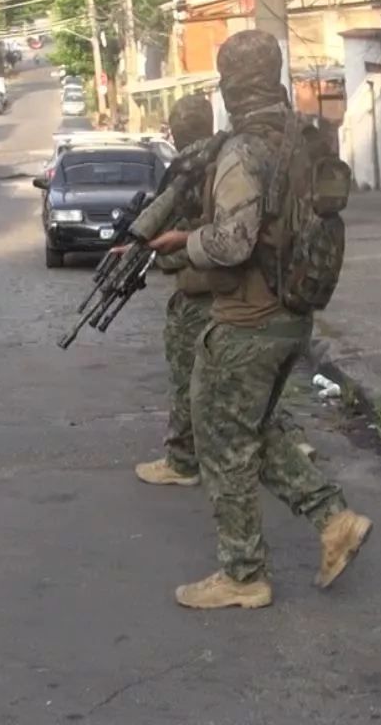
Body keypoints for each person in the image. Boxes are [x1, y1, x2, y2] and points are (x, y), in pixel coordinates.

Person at [147, 30, 372, 610]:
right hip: (294, 313)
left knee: (220, 438)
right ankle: (332, 519)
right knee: (253, 428)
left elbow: (233, 240)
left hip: (248, 317)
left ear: (227, 85)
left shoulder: (243, 150)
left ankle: (242, 574)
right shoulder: (304, 136)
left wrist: (183, 240)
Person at [134, 95, 317, 488]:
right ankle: (292, 444)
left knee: (198, 384)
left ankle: (184, 460)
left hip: (209, 292)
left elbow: (209, 241)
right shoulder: (228, 153)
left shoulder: (190, 170)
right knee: (253, 384)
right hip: (252, 292)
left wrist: (164, 252)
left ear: (174, 130)